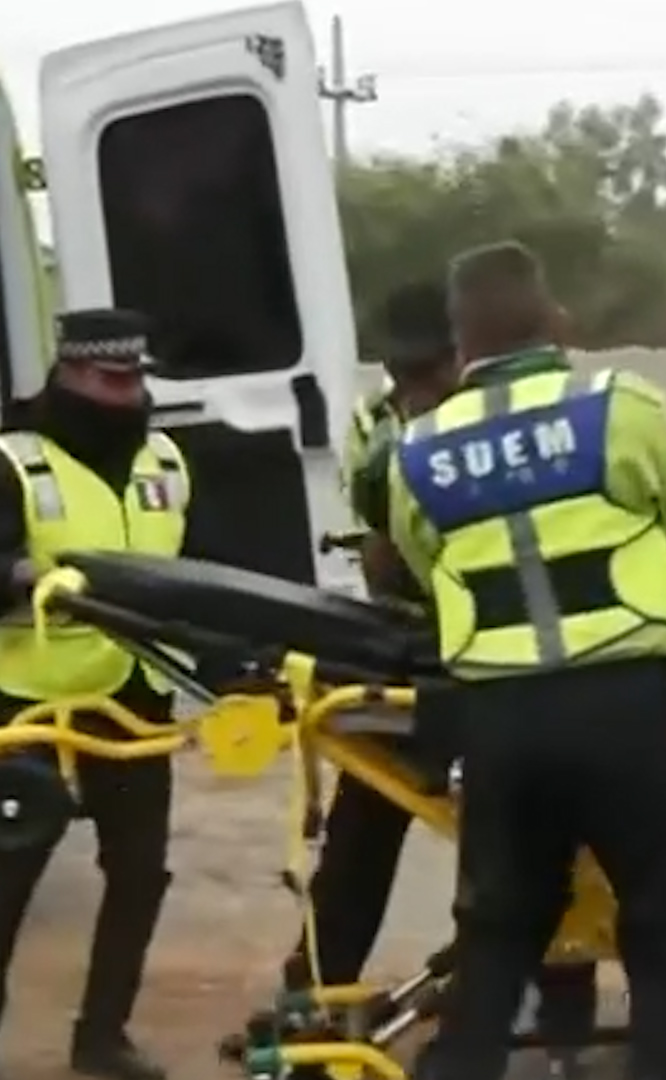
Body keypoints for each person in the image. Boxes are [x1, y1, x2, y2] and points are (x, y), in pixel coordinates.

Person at [377, 241, 666, 1080]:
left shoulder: (419, 449)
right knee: (664, 924)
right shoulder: (619, 407)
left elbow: (431, 570)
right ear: (555, 320)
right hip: (621, 704)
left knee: (499, 927)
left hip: (500, 718)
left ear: (460, 341)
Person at [0, 309, 188, 1080]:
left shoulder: (167, 460)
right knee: (8, 867)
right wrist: (23, 575)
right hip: (33, 695)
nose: (128, 394)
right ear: (70, 374)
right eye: (112, 380)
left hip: (136, 691)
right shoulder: (3, 465)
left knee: (140, 871)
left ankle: (103, 1036)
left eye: (137, 379)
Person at [282, 280, 462, 996]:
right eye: (404, 377)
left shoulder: (509, 415)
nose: (416, 393)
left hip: (502, 651)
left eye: (430, 374)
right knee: (368, 816)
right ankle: (312, 991)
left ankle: (503, 985)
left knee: (508, 833)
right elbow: (381, 547)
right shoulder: (376, 425)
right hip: (417, 638)